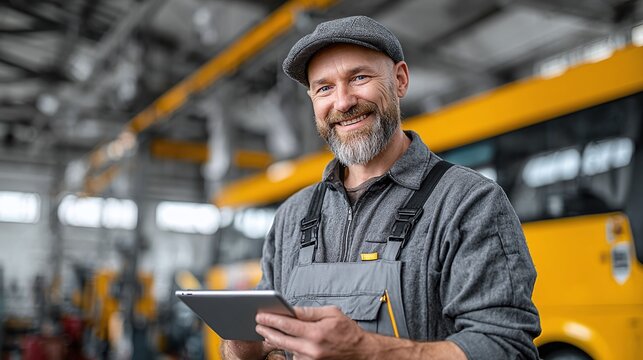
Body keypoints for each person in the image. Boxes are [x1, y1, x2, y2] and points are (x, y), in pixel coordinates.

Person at [222, 15, 541, 360]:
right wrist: (240, 348)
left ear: (400, 80)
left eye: (358, 77)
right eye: (324, 88)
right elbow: (261, 343)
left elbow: (508, 348)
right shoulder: (292, 217)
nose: (343, 102)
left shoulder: (468, 202)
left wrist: (366, 350)